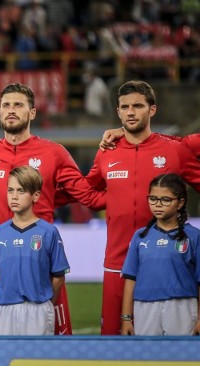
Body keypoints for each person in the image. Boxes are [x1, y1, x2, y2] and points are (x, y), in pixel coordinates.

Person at [0, 83, 105, 335]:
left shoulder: (54, 153)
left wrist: (116, 171)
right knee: (0, 348)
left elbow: (86, 194)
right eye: (6, 105)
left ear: (32, 113)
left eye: (18, 105)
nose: (11, 110)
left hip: (42, 264)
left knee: (52, 348)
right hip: (1, 264)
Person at [83, 80, 200, 335]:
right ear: (118, 112)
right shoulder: (107, 151)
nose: (131, 112)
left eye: (138, 106)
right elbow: (88, 191)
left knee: (171, 345)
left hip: (166, 259)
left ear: (152, 110)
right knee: (114, 343)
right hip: (117, 261)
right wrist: (112, 199)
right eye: (125, 107)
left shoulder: (175, 150)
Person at [0, 166, 69, 335]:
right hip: (3, 309)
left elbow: (58, 276)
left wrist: (44, 302)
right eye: (10, 190)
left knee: (35, 359)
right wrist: (8, 293)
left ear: (35, 196)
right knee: (3, 359)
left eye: (21, 191)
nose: (14, 196)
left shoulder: (48, 232)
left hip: (38, 309)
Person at [120, 174, 200, 336]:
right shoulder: (140, 236)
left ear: (180, 203)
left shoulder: (194, 236)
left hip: (181, 306)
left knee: (181, 358)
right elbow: (130, 279)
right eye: (153, 199)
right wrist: (126, 318)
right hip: (144, 306)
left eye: (165, 200)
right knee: (147, 358)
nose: (158, 205)